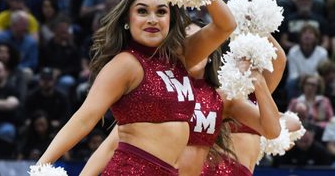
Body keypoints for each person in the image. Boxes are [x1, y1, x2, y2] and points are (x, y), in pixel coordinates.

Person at [37, 0, 237, 175]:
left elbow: (226, 25)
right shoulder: (126, 64)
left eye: (161, 11)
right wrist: (42, 166)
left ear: (171, 19)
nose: (152, 19)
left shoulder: (180, 58)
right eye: (142, 11)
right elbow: (84, 118)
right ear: (127, 19)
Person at [78, 19, 284, 176]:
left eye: (200, 43)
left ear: (211, 51)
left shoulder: (222, 96)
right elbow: (112, 144)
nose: (194, 49)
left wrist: (257, 80)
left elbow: (272, 130)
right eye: (186, 43)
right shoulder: (158, 90)